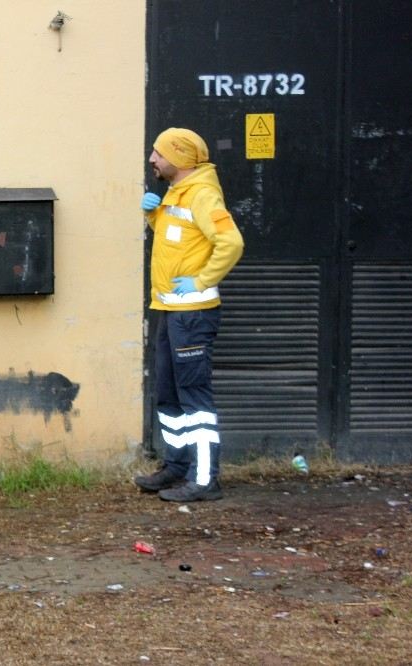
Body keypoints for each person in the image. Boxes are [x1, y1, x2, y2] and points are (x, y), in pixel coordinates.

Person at [134, 128, 244, 502]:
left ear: (179, 158)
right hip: (169, 310)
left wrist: (201, 280)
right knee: (168, 394)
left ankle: (204, 479)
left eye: (159, 153)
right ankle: (176, 467)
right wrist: (154, 217)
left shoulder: (202, 193)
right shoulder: (177, 193)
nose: (153, 159)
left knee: (194, 399)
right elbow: (179, 241)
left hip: (192, 315)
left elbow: (231, 242)